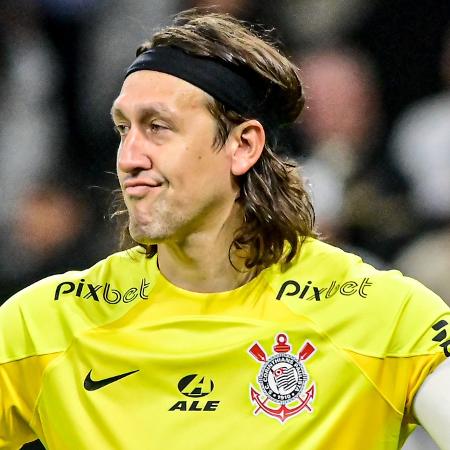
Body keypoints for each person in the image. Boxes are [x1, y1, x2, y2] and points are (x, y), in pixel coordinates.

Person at [0, 9, 449, 450]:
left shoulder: (379, 317)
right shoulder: (44, 326)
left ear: (243, 145)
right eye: (123, 129)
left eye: (158, 127)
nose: (128, 158)